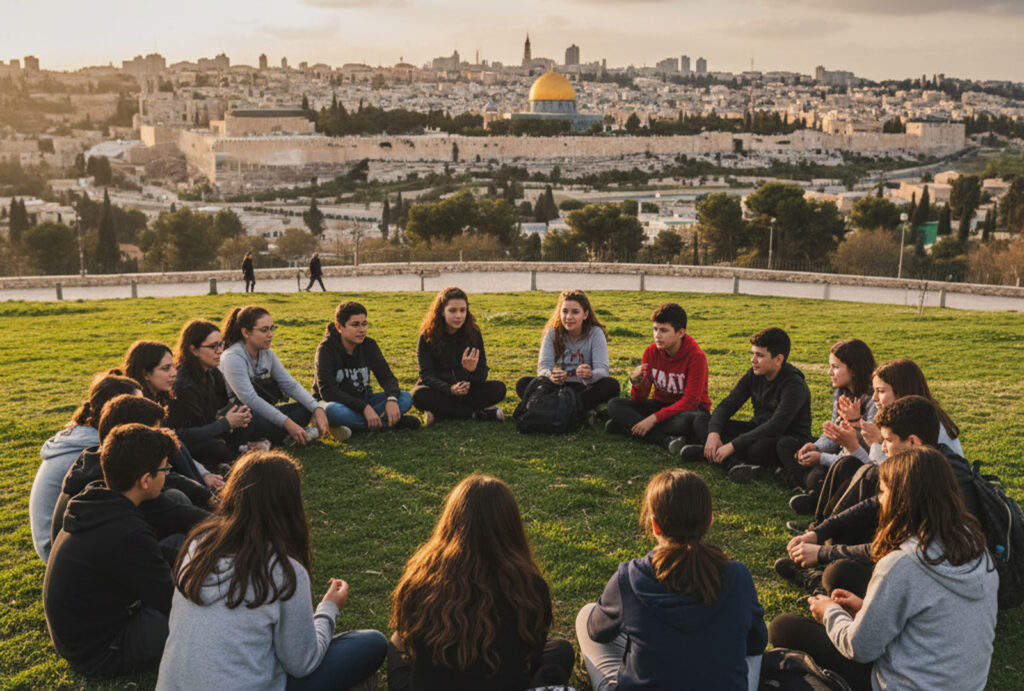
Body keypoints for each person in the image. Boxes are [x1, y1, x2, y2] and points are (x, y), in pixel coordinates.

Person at [769, 447, 998, 691]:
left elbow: (861, 649)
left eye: (882, 491)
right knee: (840, 574)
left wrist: (830, 613)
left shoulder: (903, 563)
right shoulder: (977, 549)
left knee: (784, 627)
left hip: (905, 684)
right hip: (965, 683)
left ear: (902, 501)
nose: (879, 500)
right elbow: (933, 622)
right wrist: (865, 608)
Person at [156, 451, 388, 691]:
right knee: (371, 643)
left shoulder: (198, 544)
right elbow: (302, 663)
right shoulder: (284, 570)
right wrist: (329, 609)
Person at [577, 468, 767, 690]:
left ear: (655, 525)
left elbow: (597, 631)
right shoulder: (738, 576)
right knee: (752, 655)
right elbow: (756, 643)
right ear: (709, 521)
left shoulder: (629, 578)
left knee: (585, 615)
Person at [387, 474, 574, 690]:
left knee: (396, 641)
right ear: (511, 526)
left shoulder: (421, 578)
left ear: (451, 522)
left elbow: (408, 640)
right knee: (560, 651)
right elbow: (530, 658)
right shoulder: (529, 587)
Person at [44, 424, 180, 677]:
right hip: (102, 652)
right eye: (165, 469)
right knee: (189, 613)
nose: (167, 475)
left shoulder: (97, 498)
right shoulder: (124, 531)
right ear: (145, 480)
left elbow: (155, 556)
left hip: (81, 636)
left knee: (181, 548)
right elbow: (168, 599)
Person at [788, 358, 963, 529]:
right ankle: (822, 524)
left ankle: (826, 529)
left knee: (857, 470)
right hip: (906, 485)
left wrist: (864, 445)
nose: (874, 399)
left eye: (880, 391)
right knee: (847, 465)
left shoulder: (922, 423)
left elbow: (893, 474)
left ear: (902, 391)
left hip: (924, 497)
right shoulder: (905, 418)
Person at [51, 394, 211, 553]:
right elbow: (166, 510)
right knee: (185, 533)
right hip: (103, 563)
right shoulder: (115, 488)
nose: (160, 436)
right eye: (154, 432)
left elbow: (170, 481)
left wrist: (207, 496)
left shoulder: (99, 460)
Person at [31, 371, 140, 563]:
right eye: (137, 405)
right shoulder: (89, 452)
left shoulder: (88, 435)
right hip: (58, 549)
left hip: (67, 538)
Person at [679, 327, 813, 485]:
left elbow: (776, 425)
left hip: (783, 439)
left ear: (778, 359)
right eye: (753, 353)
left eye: (760, 355)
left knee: (757, 448)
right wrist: (713, 434)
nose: (753, 360)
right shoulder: (754, 373)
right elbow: (727, 405)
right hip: (756, 429)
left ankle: (712, 455)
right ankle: (734, 463)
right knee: (701, 420)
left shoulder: (794, 385)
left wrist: (733, 445)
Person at [219, 305, 332, 445]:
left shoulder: (266, 352)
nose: (270, 334)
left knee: (305, 408)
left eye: (272, 328)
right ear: (246, 332)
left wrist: (316, 408)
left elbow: (289, 384)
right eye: (264, 330)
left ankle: (277, 439)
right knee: (250, 418)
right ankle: (287, 437)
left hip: (264, 412)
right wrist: (287, 423)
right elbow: (250, 400)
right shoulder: (232, 357)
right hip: (240, 417)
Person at [781, 339, 877, 504]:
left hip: (859, 458)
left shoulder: (874, 399)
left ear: (853, 370)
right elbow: (833, 431)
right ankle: (810, 485)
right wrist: (816, 447)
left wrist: (822, 457)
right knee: (786, 445)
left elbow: (866, 451)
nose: (829, 372)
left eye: (835, 367)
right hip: (840, 452)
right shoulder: (841, 392)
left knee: (822, 474)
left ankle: (812, 489)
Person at [606, 302, 711, 450]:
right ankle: (664, 440)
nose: (657, 335)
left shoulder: (697, 357)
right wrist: (637, 383)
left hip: (688, 411)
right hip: (660, 404)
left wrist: (653, 419)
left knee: (692, 420)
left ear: (680, 333)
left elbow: (690, 402)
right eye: (655, 329)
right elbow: (639, 399)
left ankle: (627, 426)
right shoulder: (650, 352)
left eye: (664, 330)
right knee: (614, 405)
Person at [124, 340, 225, 492]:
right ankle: (204, 492)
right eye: (165, 368)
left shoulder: (160, 397)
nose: (174, 373)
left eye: (172, 366)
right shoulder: (137, 406)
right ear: (146, 374)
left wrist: (203, 474)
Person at [514, 289, 619, 427]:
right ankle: (579, 413)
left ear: (585, 314)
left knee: (611, 385)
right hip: (557, 388)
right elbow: (543, 367)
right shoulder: (552, 333)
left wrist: (590, 375)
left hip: (583, 388)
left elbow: (603, 370)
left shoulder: (595, 333)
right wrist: (551, 376)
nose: (569, 317)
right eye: (564, 311)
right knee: (523, 384)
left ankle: (554, 409)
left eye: (575, 312)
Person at [313, 301, 419, 433]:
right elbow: (327, 391)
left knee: (405, 398)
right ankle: (388, 423)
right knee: (332, 411)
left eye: (364, 324)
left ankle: (355, 425)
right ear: (339, 327)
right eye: (355, 325)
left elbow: (387, 378)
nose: (362, 330)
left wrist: (391, 399)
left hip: (365, 399)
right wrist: (364, 408)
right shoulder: (326, 349)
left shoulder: (369, 345)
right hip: (336, 402)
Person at [168, 319, 258, 470]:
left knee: (249, 415)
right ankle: (233, 457)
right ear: (193, 350)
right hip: (188, 441)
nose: (219, 351)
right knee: (215, 449)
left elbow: (221, 405)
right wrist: (225, 423)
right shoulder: (183, 385)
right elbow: (182, 434)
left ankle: (235, 455)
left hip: (210, 428)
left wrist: (234, 415)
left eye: (220, 344)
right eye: (212, 347)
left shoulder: (212, 371)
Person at [411, 287, 506, 425]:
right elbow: (426, 375)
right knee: (417, 395)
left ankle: (442, 413)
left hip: (467, 390)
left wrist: (470, 372)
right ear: (442, 312)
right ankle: (475, 413)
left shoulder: (473, 334)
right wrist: (449, 389)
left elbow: (482, 373)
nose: (458, 316)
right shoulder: (427, 336)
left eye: (463, 310)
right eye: (452, 310)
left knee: (499, 388)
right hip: (440, 390)